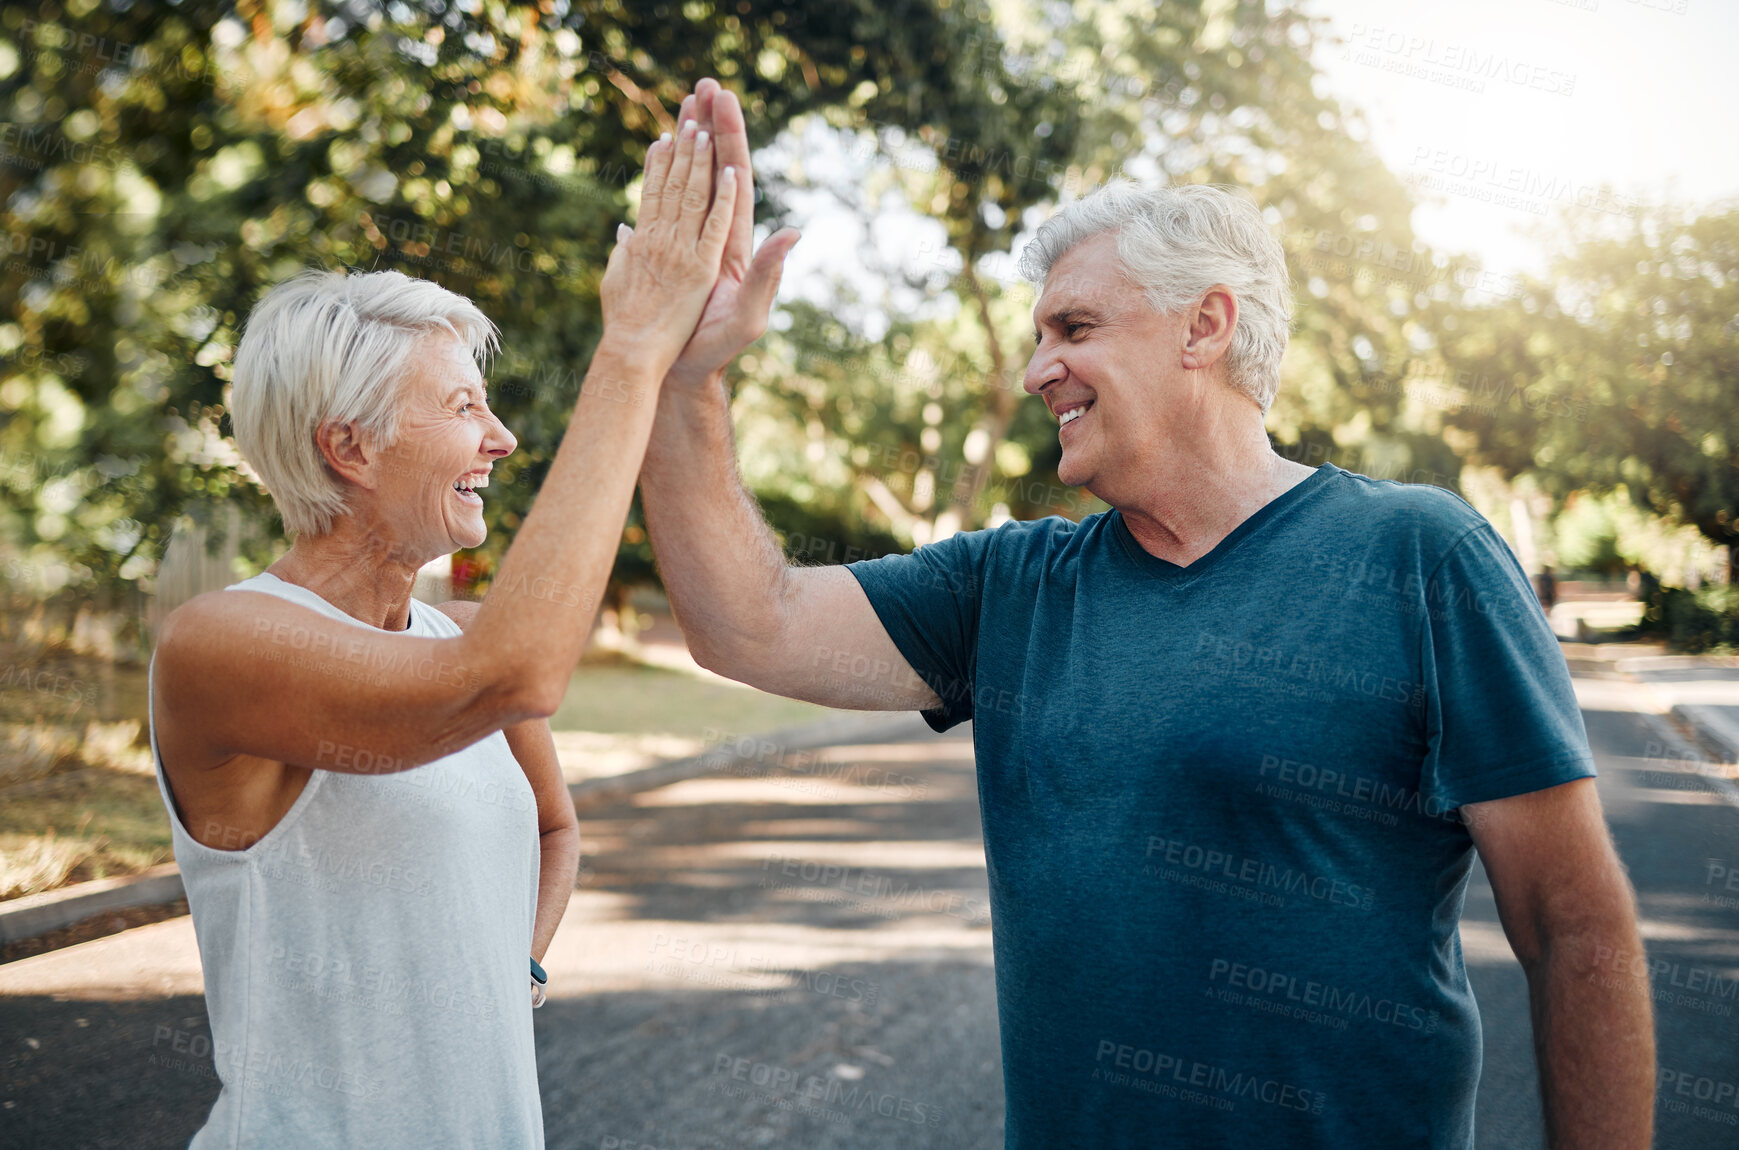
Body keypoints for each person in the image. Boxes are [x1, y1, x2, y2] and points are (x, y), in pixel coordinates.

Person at [638, 82, 1655, 1148]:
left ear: (1203, 326)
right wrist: (686, 376)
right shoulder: (1008, 587)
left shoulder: (1419, 556)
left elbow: (1572, 924)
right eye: (1036, 336)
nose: (1036, 371)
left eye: (1073, 327)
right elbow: (745, 621)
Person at [149, 120, 741, 1147]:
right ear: (349, 446)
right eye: (464, 406)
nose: (500, 438)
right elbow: (515, 671)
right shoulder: (220, 643)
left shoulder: (449, 629)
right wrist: (633, 347)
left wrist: (515, 967)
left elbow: (555, 829)